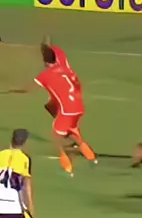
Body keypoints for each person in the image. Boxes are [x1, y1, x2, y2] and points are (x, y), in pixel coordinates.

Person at [11, 44, 97, 176]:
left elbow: (28, 89)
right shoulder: (63, 66)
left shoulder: (45, 75)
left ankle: (67, 167)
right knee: (54, 111)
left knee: (56, 138)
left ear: (45, 61)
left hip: (66, 111)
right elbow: (57, 52)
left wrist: (12, 90)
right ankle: (91, 157)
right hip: (78, 107)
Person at [0, 129, 36, 218]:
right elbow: (27, 186)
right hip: (14, 204)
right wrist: (31, 208)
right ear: (24, 142)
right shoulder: (25, 159)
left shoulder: (1, 154)